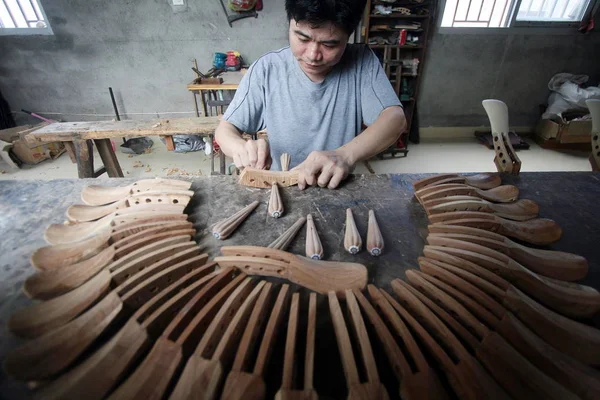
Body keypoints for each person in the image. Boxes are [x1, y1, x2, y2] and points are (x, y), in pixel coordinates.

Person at [215, 0, 406, 189]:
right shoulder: (267, 69)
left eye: (329, 44)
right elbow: (225, 130)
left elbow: (395, 119)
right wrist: (241, 148)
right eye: (303, 39)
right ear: (290, 25)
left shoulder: (362, 63)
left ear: (348, 37)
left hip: (334, 184)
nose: (313, 55)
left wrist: (345, 156)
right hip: (279, 185)